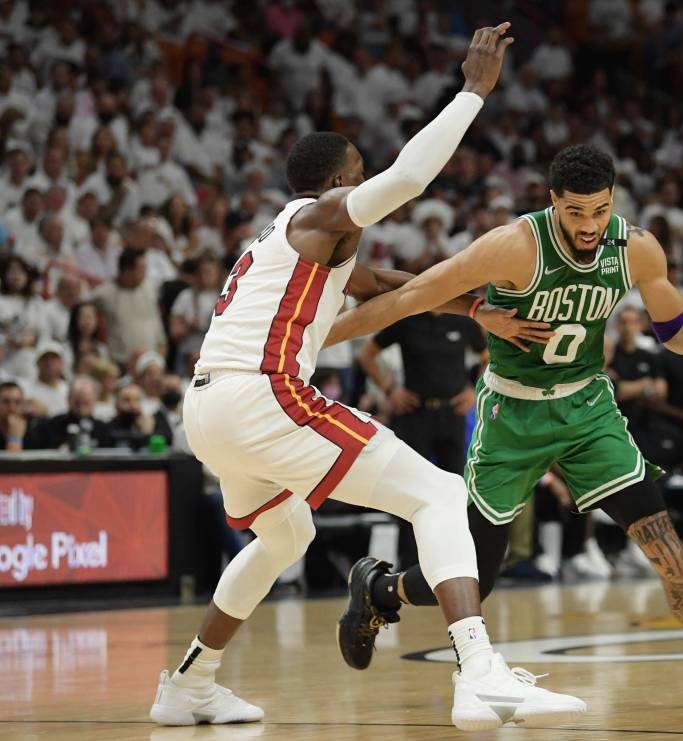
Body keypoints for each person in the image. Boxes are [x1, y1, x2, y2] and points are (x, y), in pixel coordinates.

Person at [150, 24, 586, 732]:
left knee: (285, 538)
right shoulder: (318, 217)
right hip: (261, 395)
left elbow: (393, 284)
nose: (366, 178)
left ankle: (189, 683)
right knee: (441, 493)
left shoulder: (294, 248)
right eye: (359, 169)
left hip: (208, 412)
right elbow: (410, 179)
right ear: (339, 181)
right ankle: (478, 673)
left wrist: (479, 309)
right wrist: (473, 91)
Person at [330, 144, 683, 711]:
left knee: (666, 545)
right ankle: (378, 588)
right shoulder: (514, 245)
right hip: (511, 414)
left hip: (586, 410)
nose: (590, 225)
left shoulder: (636, 247)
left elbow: (674, 326)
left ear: (613, 201)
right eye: (575, 213)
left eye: (599, 211)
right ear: (552, 202)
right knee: (476, 577)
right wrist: (316, 342)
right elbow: (417, 294)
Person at [357, 311, 487, 568]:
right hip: (414, 415)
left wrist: (474, 389)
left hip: (453, 414)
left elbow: (488, 358)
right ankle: (409, 563)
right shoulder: (407, 319)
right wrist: (389, 390)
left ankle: (455, 560)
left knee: (455, 489)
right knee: (411, 488)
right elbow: (365, 354)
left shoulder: (463, 321)